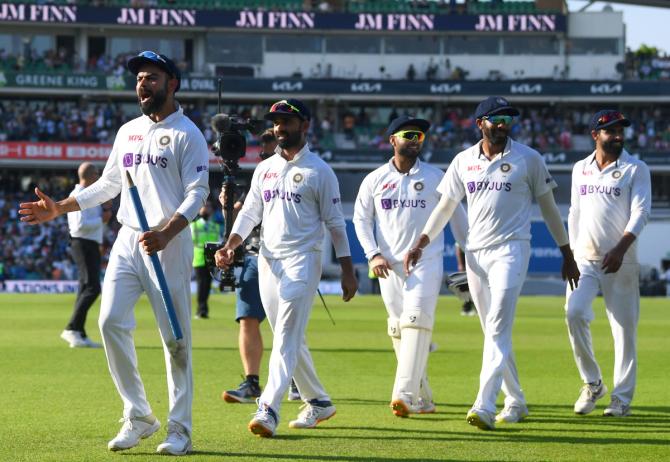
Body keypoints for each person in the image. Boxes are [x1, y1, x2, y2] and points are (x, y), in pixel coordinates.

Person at [19, 50, 209, 455]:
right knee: (108, 322)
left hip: (168, 244)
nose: (143, 83)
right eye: (140, 77)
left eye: (152, 77)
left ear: (171, 83)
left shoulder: (188, 134)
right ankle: (139, 415)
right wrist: (61, 207)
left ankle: (180, 429)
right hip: (129, 238)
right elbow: (108, 184)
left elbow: (198, 193)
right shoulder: (128, 131)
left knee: (175, 340)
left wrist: (168, 231)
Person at [404, 96, 580, 430]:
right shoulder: (463, 161)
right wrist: (422, 241)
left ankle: (484, 404)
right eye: (496, 119)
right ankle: (516, 400)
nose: (502, 125)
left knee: (498, 325)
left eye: (508, 120)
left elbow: (550, 209)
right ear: (479, 123)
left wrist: (567, 253)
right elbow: (445, 207)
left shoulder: (529, 158)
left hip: (512, 249)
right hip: (475, 253)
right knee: (492, 331)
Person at [215, 98, 358, 437]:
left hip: (303, 260)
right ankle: (319, 401)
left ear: (304, 126)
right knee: (287, 337)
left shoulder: (320, 171)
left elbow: (336, 224)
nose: (279, 128)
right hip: (268, 260)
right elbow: (250, 212)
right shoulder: (264, 169)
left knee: (285, 338)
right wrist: (231, 245)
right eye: (276, 122)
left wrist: (348, 269)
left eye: (287, 122)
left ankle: (268, 408)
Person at [353, 115, 468, 417]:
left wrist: (472, 257)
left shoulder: (435, 177)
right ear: (393, 140)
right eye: (409, 134)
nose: (416, 140)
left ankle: (403, 394)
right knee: (399, 329)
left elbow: (457, 219)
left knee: (415, 319)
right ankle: (424, 397)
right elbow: (361, 221)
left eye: (420, 136)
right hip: (388, 267)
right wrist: (373, 254)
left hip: (426, 262)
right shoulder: (375, 179)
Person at [565, 110, 651, 417]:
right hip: (585, 259)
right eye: (610, 131)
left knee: (623, 331)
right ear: (595, 135)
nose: (617, 135)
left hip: (622, 261)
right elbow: (574, 212)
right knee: (574, 313)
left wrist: (620, 248)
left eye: (620, 131)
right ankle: (592, 383)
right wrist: (571, 253)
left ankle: (621, 400)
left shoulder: (636, 168)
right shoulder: (580, 169)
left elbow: (640, 214)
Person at [221, 128, 301, 403]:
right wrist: (228, 205)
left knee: (287, 323)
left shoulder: (298, 175)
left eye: (271, 151)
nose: (268, 156)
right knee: (247, 319)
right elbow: (241, 217)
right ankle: (252, 381)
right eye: (264, 152)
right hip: (255, 254)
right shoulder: (258, 177)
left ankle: (295, 379)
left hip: (287, 255)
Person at [60, 162, 112, 348]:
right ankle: (71, 328)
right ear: (90, 176)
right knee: (92, 287)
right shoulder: (77, 195)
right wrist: (102, 219)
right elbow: (79, 226)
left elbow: (91, 225)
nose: (99, 178)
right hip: (82, 243)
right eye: (97, 174)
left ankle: (79, 332)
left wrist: (102, 217)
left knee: (85, 287)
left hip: (89, 243)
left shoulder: (89, 196)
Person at [190, 201, 222, 319]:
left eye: (208, 206)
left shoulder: (216, 226)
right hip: (199, 258)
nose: (205, 209)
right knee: (201, 283)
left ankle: (203, 309)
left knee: (207, 284)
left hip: (211, 259)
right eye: (203, 206)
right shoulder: (193, 226)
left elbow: (218, 241)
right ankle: (201, 309)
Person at [455, 245, 476, 316]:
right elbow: (458, 248)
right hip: (468, 266)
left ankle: (473, 308)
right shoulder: (465, 235)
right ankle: (466, 308)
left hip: (475, 264)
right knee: (470, 287)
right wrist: (461, 264)